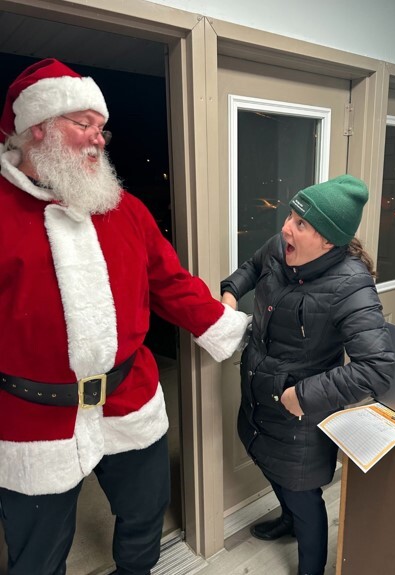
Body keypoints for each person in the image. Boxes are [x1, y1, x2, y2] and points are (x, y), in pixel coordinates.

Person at [0, 58, 250, 575]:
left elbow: (171, 283)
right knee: (38, 552)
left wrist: (224, 323)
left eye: (101, 127)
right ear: (37, 128)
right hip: (30, 419)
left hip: (130, 399)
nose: (99, 139)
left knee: (142, 520)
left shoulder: (125, 210)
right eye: (83, 124)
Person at [221, 175, 395, 575]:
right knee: (269, 466)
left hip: (300, 417)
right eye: (291, 216)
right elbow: (251, 267)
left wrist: (301, 395)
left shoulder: (352, 287)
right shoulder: (282, 249)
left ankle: (310, 565)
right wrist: (230, 295)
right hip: (258, 394)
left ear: (329, 241)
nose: (286, 227)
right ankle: (287, 521)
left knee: (303, 495)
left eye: (301, 224)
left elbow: (376, 369)